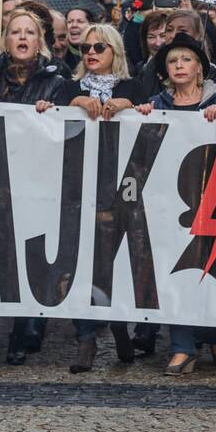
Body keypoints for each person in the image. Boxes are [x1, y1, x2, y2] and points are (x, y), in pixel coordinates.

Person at [135, 32, 216, 375]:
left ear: (200, 68)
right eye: (173, 61)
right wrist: (143, 116)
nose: (179, 66)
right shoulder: (159, 103)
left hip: (213, 201)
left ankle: (212, 335)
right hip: (172, 204)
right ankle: (183, 347)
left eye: (186, 60)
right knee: (176, 273)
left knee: (208, 271)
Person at [0, 8, 71, 364]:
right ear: (5, 39)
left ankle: (21, 332)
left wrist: (53, 110)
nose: (21, 38)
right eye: (15, 31)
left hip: (33, 180)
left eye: (28, 32)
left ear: (39, 40)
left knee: (26, 257)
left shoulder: (55, 79)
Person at [60, 23, 139, 373]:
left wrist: (130, 105)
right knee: (79, 264)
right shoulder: (69, 86)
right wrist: (75, 102)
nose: (91, 52)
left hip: (118, 190)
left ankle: (120, 327)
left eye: (100, 47)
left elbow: (151, 109)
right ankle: (86, 339)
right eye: (86, 47)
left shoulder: (131, 87)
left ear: (115, 53)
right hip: (77, 188)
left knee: (110, 265)